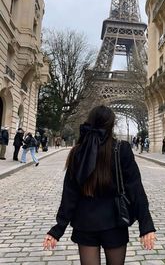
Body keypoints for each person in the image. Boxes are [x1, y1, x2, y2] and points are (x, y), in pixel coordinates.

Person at [43, 105, 156, 264]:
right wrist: (146, 226)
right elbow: (136, 189)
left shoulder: (77, 152)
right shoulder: (121, 149)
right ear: (111, 125)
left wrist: (57, 229)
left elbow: (69, 195)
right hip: (115, 222)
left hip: (85, 222)